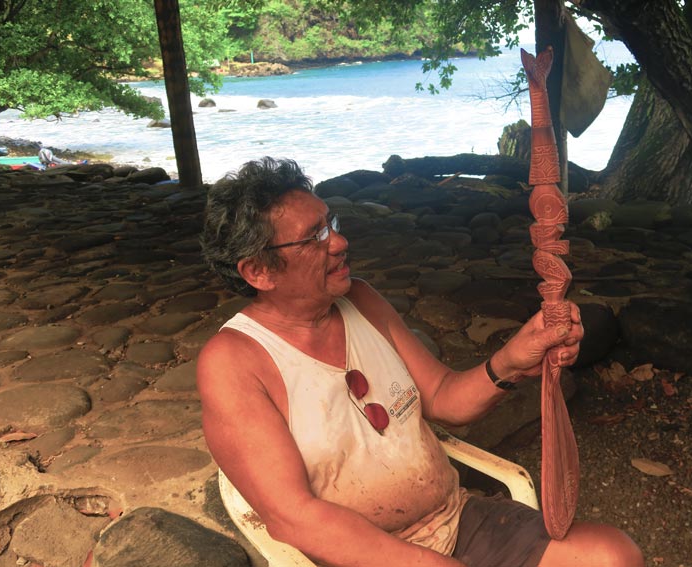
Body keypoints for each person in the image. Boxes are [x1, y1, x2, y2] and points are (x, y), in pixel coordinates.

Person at [198, 157, 644, 567]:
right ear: (259, 271)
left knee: (612, 556)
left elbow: (443, 399)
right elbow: (294, 517)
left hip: (457, 520)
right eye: (315, 236)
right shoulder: (234, 362)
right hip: (360, 559)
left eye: (330, 222)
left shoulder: (361, 300)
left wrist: (512, 361)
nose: (340, 241)